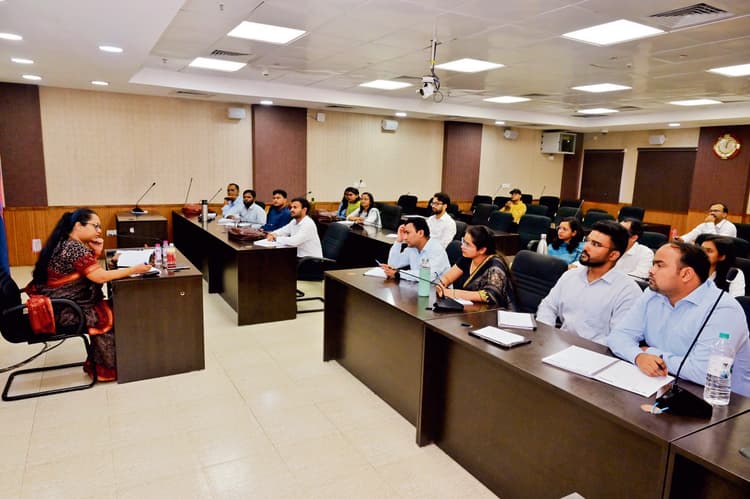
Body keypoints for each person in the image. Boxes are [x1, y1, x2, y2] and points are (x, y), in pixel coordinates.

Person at [608, 242, 750, 396]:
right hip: (662, 384)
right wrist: (638, 356)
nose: (651, 270)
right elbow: (618, 336)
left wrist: (650, 352)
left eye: (659, 265)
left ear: (686, 274)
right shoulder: (653, 294)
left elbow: (703, 372)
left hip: (722, 400)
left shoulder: (723, 310)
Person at [28, 208, 151, 381]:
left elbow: (86, 272)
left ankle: (114, 361)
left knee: (115, 306)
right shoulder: (74, 247)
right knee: (114, 313)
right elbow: (99, 277)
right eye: (96, 226)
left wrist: (96, 253)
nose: (99, 231)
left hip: (60, 304)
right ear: (79, 225)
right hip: (65, 310)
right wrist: (134, 269)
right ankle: (108, 368)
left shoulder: (65, 242)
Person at [536, 220, 642, 345]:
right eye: (588, 241)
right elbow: (548, 306)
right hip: (559, 343)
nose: (586, 247)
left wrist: (581, 350)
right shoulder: (570, 275)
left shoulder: (628, 291)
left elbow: (618, 337)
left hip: (595, 352)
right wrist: (547, 333)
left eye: (596, 244)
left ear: (613, 255)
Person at [436, 225, 516, 308]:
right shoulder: (467, 258)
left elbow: (489, 295)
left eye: (467, 244)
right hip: (471, 309)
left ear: (482, 250)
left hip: (496, 311)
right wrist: (441, 285)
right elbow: (447, 278)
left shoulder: (495, 266)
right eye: (463, 241)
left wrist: (453, 293)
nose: (462, 246)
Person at [380, 217, 450, 282]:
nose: (405, 238)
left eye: (408, 233)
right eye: (404, 233)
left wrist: (398, 273)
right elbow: (393, 265)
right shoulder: (412, 247)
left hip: (436, 289)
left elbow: (427, 276)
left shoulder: (436, 249)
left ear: (420, 233)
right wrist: (398, 241)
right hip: (418, 286)